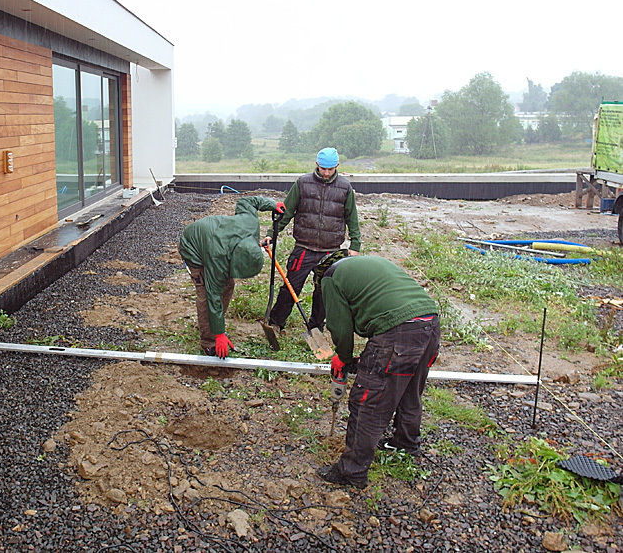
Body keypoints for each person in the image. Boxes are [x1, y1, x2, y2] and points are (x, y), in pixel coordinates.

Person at [312, 253, 440, 489]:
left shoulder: (330, 278)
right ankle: (406, 443)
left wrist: (344, 357)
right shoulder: (370, 264)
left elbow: (339, 327)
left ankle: (352, 471)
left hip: (399, 331)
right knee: (409, 390)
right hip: (430, 322)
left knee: (367, 401)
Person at [260, 147, 361, 349]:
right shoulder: (302, 183)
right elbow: (286, 212)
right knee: (290, 286)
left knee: (324, 291)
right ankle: (276, 322)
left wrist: (355, 244)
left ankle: (316, 328)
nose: (326, 173)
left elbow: (352, 218)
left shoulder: (345, 187)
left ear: (337, 167)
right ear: (317, 165)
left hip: (331, 250)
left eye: (330, 169)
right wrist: (273, 233)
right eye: (323, 168)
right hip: (304, 247)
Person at [179, 196, 284, 358]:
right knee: (206, 295)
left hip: (216, 235)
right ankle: (209, 340)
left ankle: (214, 324)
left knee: (228, 285)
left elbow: (248, 202)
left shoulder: (250, 224)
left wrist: (272, 204)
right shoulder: (217, 257)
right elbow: (213, 294)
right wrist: (219, 335)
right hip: (193, 247)